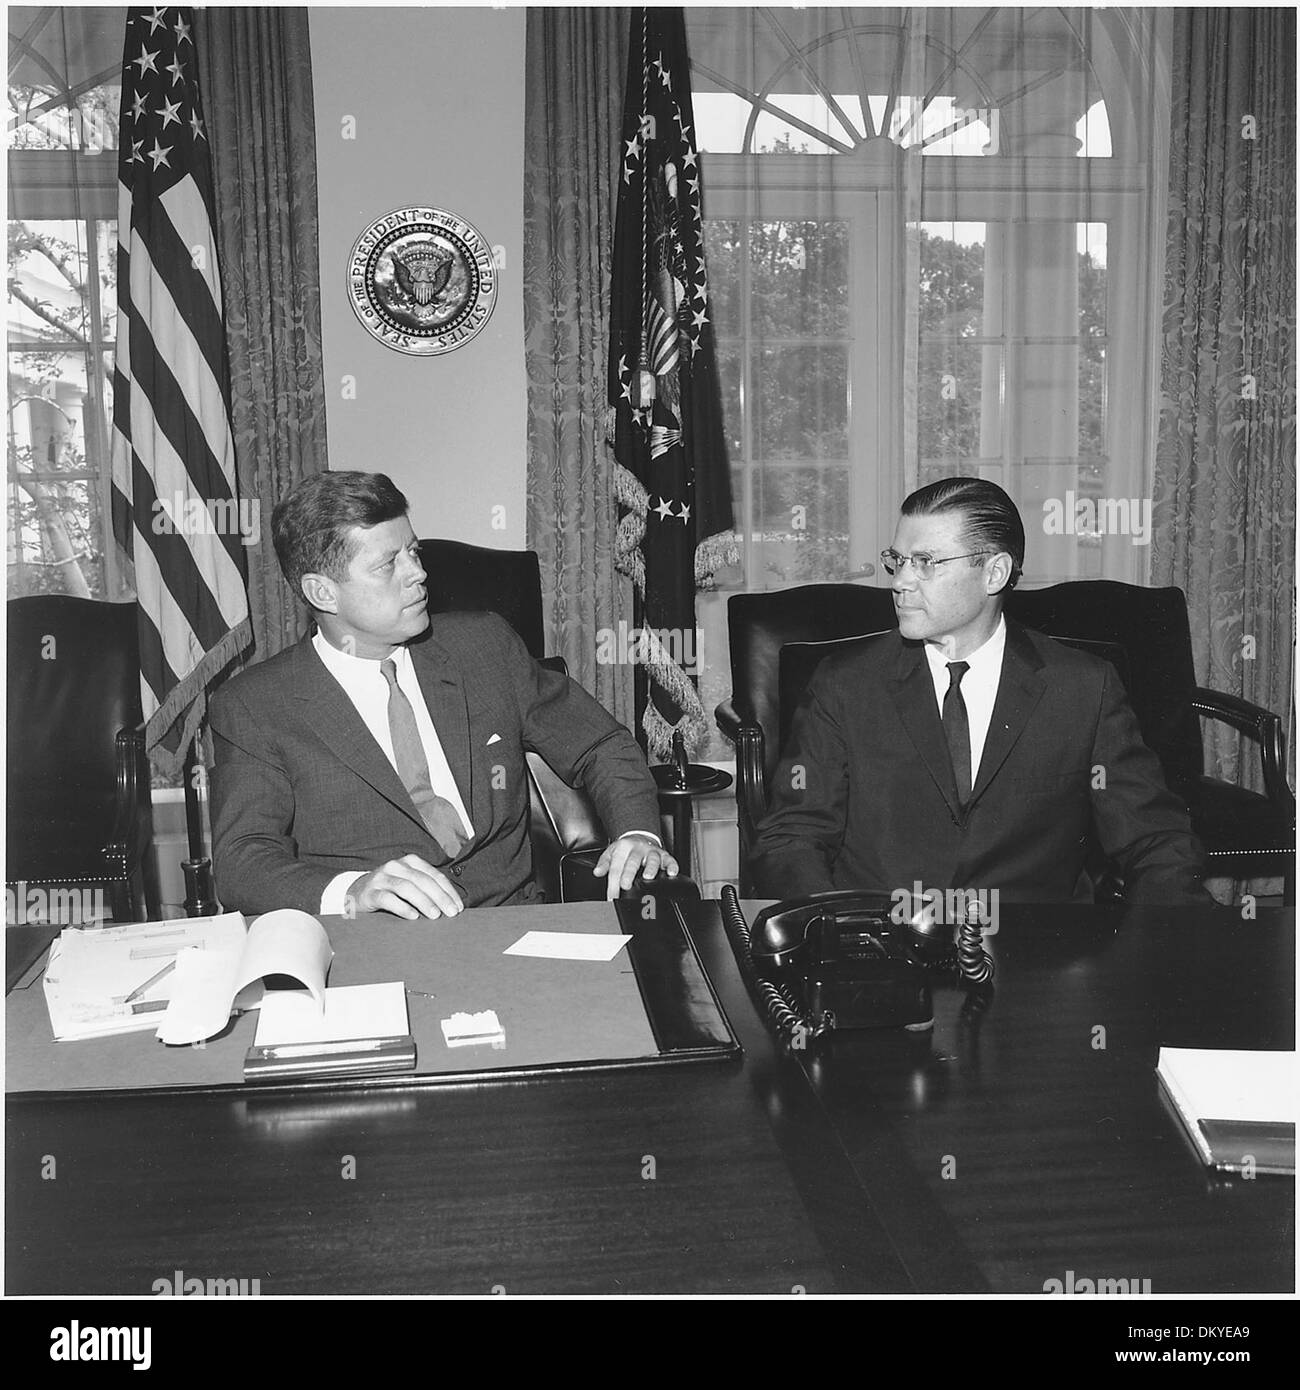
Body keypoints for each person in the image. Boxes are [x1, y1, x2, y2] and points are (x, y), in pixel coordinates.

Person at [210, 471, 675, 919]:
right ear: (323, 593)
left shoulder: (485, 647)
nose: (417, 573)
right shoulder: (255, 705)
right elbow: (242, 860)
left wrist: (637, 834)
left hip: (513, 928)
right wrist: (352, 890)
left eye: (412, 551)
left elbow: (600, 744)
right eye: (387, 564)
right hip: (377, 949)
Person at [751, 477, 1210, 904]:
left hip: (1035, 959)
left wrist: (1169, 949)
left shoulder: (1083, 687)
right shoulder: (844, 684)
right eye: (898, 560)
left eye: (925, 563)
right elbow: (793, 837)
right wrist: (835, 929)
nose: (899, 582)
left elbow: (1154, 840)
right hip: (883, 947)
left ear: (994, 573)